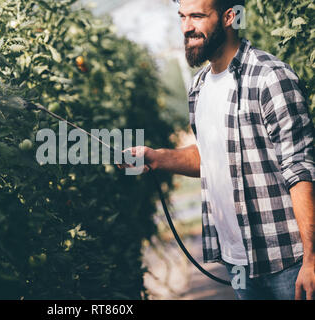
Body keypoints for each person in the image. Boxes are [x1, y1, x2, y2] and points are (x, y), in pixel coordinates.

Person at [119, 0, 314, 300]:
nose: (187, 27)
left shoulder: (269, 77)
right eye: (182, 17)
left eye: (197, 16)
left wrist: (312, 260)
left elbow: (300, 170)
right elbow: (210, 157)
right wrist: (157, 158)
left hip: (288, 259)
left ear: (229, 17)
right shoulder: (198, 88)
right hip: (237, 261)